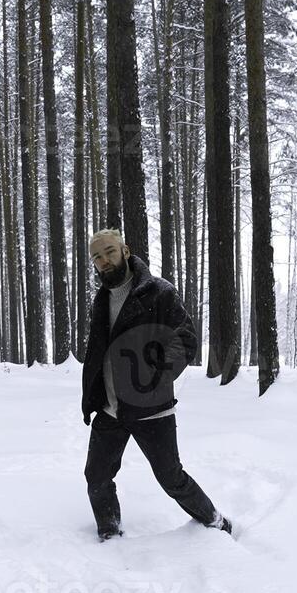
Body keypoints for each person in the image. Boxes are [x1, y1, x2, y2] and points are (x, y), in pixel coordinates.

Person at [79, 229, 232, 541]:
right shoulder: (101, 299)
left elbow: (186, 340)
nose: (104, 260)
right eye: (96, 256)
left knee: (171, 478)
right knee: (96, 476)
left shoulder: (158, 292)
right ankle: (109, 533)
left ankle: (217, 522)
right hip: (110, 408)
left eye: (109, 251)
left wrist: (154, 377)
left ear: (125, 250)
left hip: (150, 409)